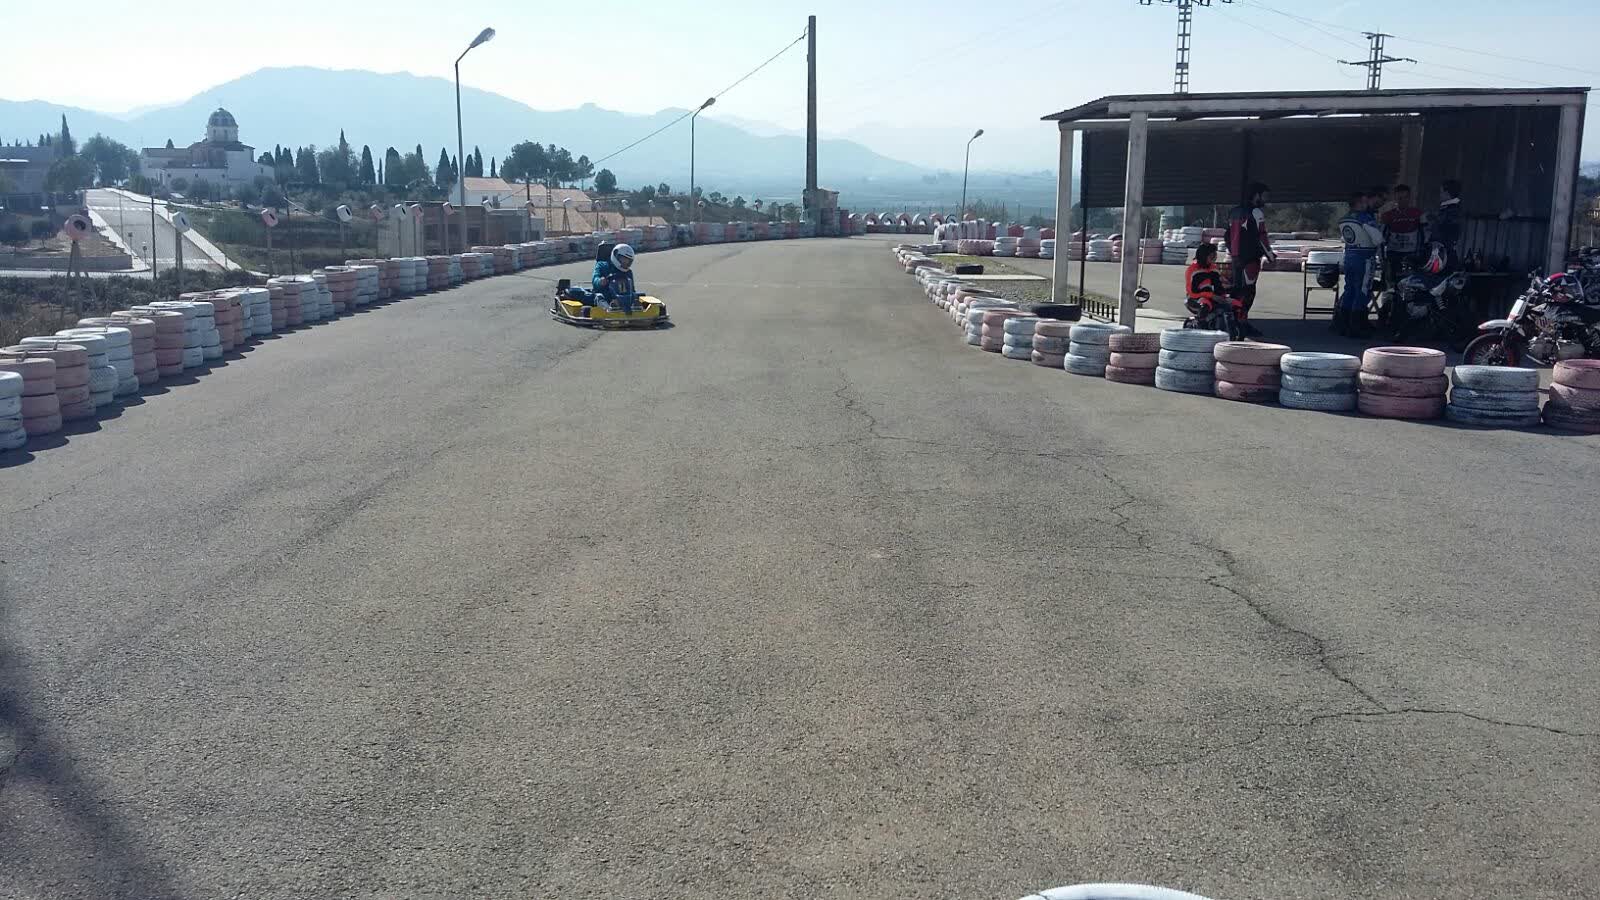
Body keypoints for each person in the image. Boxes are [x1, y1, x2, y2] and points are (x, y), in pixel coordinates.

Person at [1227, 182, 1274, 337]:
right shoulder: (1256, 212)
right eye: (1264, 196)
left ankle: (1232, 322)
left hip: (1235, 259)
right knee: (1248, 292)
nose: (1265, 200)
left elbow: (1227, 235)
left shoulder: (1233, 212)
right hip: (1250, 259)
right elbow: (1262, 236)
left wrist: (1233, 252)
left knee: (1236, 291)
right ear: (1256, 195)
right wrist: (1270, 255)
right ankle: (1242, 323)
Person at [1336, 188, 1385, 336]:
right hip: (1364, 258)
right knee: (1362, 290)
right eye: (1364, 201)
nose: (1367, 204)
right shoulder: (1365, 218)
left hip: (1349, 256)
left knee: (1349, 289)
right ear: (1360, 202)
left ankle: (1343, 324)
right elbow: (1378, 239)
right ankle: (1356, 326)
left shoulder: (1343, 219)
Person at [1378, 183, 1424, 286]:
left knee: (1412, 284)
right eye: (1400, 198)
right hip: (1393, 255)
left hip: (1412, 255)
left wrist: (1421, 253)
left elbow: (1424, 235)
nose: (1403, 201)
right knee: (1393, 284)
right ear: (1395, 198)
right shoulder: (1387, 215)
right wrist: (1382, 258)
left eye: (1406, 197)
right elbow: (1381, 238)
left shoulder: (1418, 214)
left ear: (1410, 198)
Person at [1185, 241, 1228, 321]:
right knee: (1205, 305)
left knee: (1234, 304)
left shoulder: (1214, 269)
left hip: (1213, 297)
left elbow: (1219, 286)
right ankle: (1200, 323)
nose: (1214, 257)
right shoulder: (1192, 270)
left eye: (1215, 255)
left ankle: (1238, 324)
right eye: (1212, 255)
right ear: (1204, 256)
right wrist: (1211, 296)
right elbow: (1192, 293)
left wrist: (1223, 296)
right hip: (1194, 299)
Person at [592, 242, 638, 313]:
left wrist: (634, 295)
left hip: (625, 296)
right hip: (607, 294)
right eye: (623, 259)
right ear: (616, 255)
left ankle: (635, 306)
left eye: (628, 261)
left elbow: (632, 289)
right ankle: (609, 309)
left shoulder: (628, 272)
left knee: (634, 295)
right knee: (599, 296)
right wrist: (600, 281)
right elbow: (595, 279)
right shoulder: (602, 265)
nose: (625, 262)